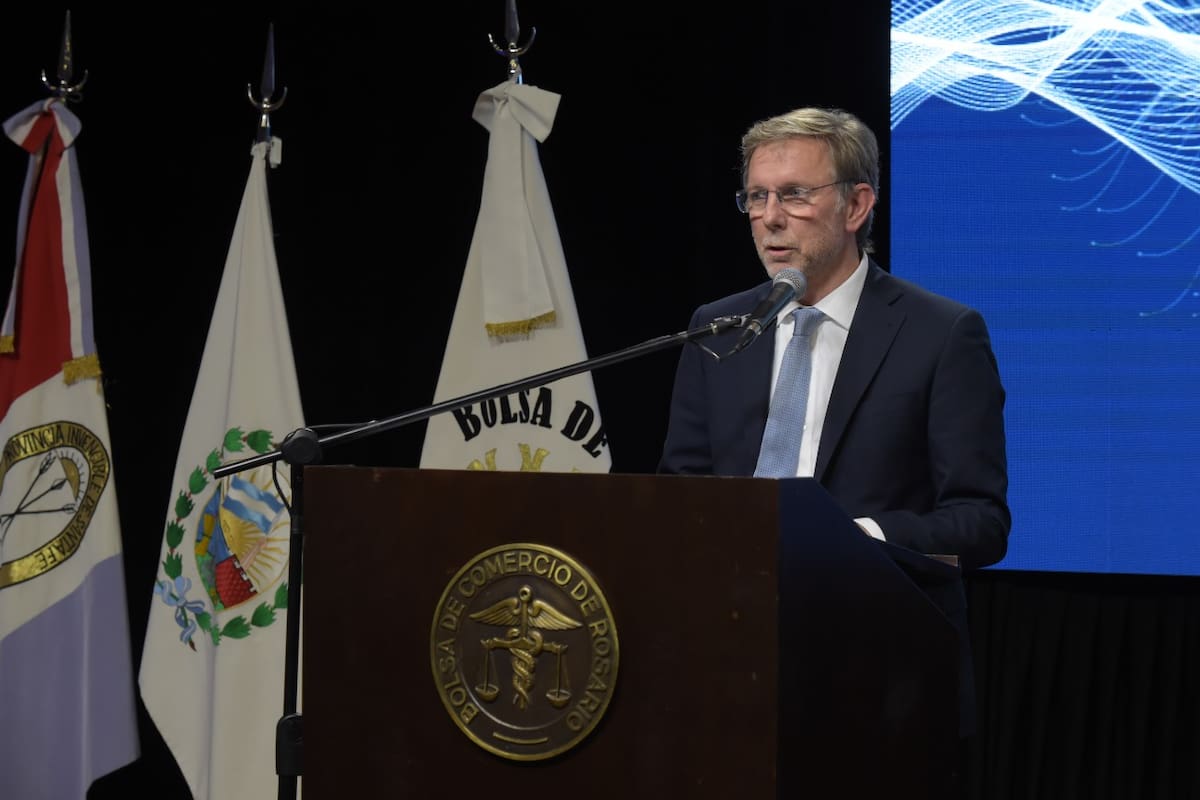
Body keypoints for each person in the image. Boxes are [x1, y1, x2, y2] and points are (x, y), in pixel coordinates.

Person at [657, 107, 1010, 742]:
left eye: (794, 194)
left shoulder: (942, 334)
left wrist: (854, 539)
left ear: (856, 206)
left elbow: (981, 521)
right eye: (757, 196)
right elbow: (679, 492)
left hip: (877, 665)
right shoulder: (717, 327)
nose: (769, 217)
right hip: (725, 652)